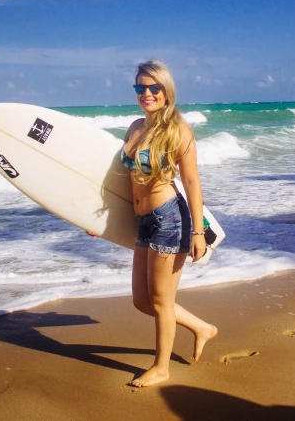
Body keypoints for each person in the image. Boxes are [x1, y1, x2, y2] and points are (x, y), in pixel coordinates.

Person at [121, 60, 217, 387]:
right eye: (140, 88)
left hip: (169, 219)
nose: (146, 94)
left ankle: (161, 368)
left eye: (153, 88)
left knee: (161, 301)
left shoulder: (178, 131)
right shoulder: (135, 127)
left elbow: (191, 182)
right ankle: (202, 328)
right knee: (142, 301)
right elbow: (122, 180)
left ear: (166, 92)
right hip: (143, 220)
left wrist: (198, 233)